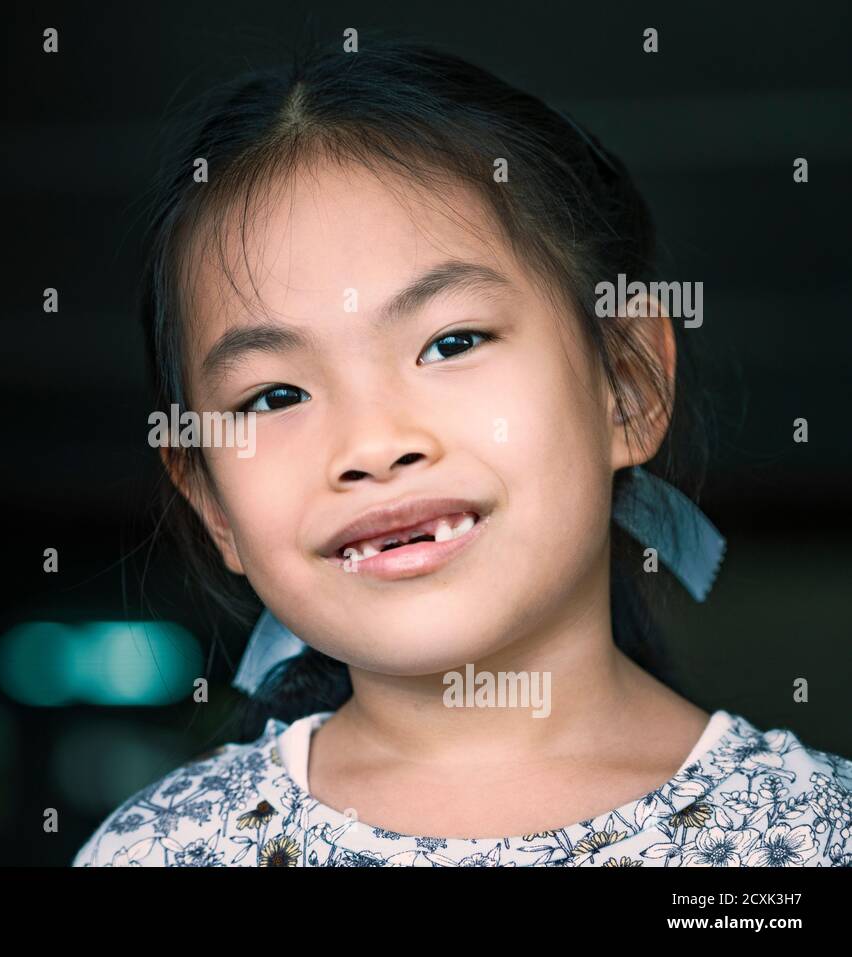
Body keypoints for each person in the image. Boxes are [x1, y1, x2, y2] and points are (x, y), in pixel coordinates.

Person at [73, 37, 852, 867]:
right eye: (275, 396)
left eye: (451, 341)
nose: (373, 446)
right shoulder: (162, 851)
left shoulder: (809, 836)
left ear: (625, 385)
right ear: (213, 503)